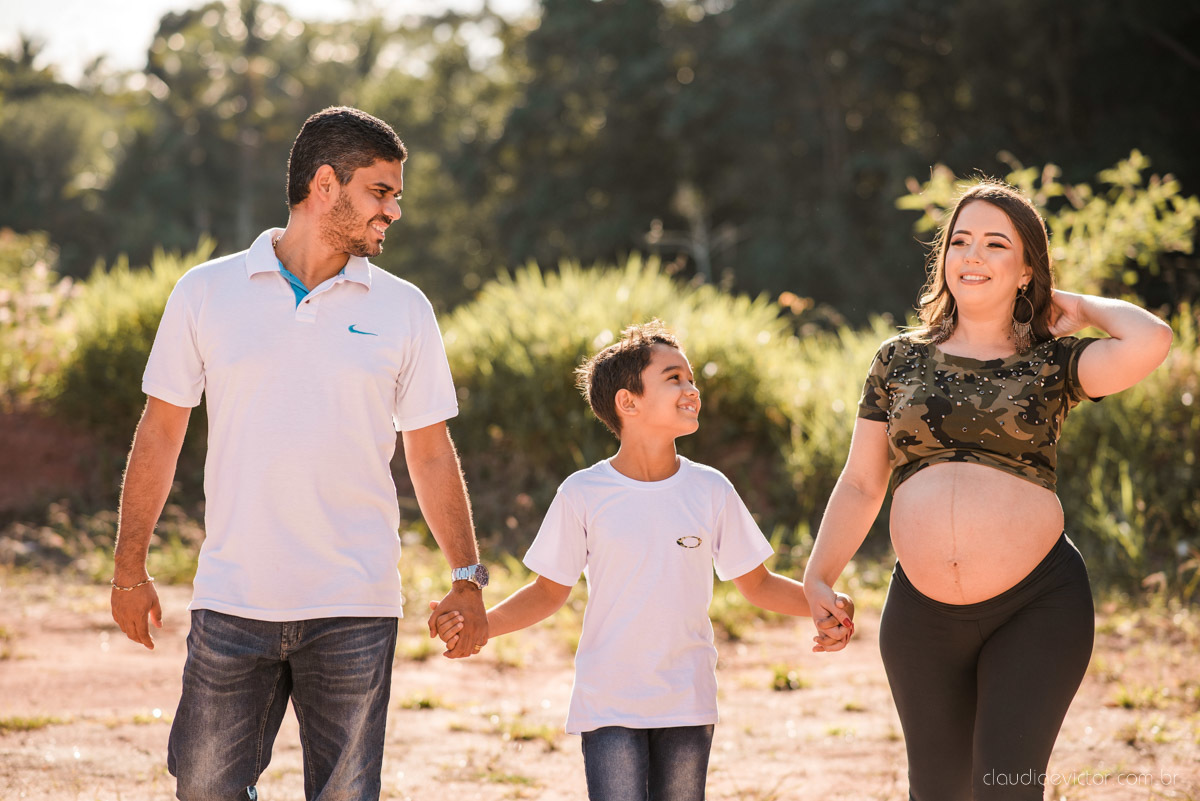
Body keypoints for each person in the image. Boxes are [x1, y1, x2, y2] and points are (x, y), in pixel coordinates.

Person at [109, 106, 490, 801]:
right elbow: (160, 433)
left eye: (396, 194)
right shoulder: (205, 292)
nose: (394, 210)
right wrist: (128, 567)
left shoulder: (404, 310)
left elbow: (430, 453)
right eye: (381, 191)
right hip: (234, 597)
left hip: (355, 602)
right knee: (203, 788)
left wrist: (467, 574)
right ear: (325, 185)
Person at [803, 180, 1173, 801]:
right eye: (961, 241)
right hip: (920, 616)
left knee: (1006, 788)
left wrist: (1070, 303)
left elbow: (1152, 340)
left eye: (996, 244)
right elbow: (863, 481)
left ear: (1026, 268)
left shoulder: (1054, 361)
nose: (972, 256)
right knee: (938, 792)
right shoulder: (898, 359)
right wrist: (818, 576)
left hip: (1038, 606)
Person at [432, 321, 853, 801]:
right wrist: (484, 625)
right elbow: (548, 592)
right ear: (627, 403)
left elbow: (757, 585)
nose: (691, 388)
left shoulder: (710, 489)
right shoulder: (583, 494)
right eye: (674, 378)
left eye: (692, 379)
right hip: (608, 702)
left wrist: (824, 605)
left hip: (687, 701)